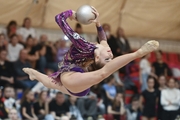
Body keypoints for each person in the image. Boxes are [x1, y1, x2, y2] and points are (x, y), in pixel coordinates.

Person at [23, 7, 159, 97]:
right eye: (111, 57)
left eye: (108, 59)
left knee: (101, 74)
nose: (111, 55)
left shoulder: (84, 46)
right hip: (77, 81)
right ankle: (33, 73)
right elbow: (103, 39)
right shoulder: (101, 48)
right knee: (52, 84)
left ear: (98, 58)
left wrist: (72, 14)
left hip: (72, 78)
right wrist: (98, 24)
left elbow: (59, 18)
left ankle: (138, 54)